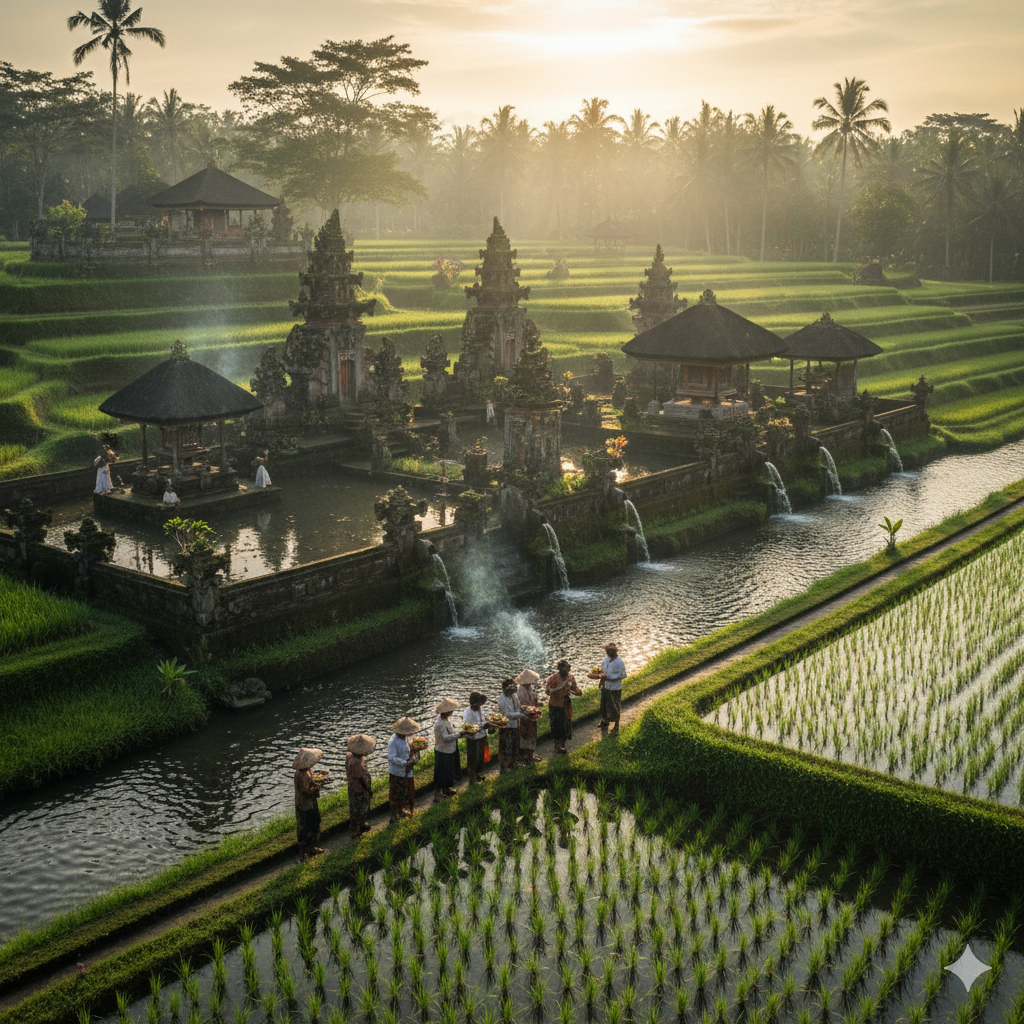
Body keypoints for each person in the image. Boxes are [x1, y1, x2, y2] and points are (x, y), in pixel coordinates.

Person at [293, 747, 325, 860]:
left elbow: (311, 783)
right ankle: (304, 852)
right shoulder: (301, 775)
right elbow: (307, 791)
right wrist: (318, 786)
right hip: (304, 805)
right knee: (304, 828)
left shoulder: (307, 771)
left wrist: (316, 783)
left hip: (310, 802)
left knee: (314, 823)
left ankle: (312, 847)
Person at [387, 716, 421, 823]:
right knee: (396, 793)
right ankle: (393, 816)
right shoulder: (393, 740)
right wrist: (405, 763)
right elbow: (391, 757)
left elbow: (406, 750)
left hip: (407, 770)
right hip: (397, 772)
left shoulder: (404, 738)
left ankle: (404, 811)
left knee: (408, 791)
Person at [546, 659, 583, 755]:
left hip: (566, 703)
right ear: (559, 669)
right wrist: (558, 689)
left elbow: (574, 687)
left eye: (567, 670)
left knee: (566, 722)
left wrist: (577, 691)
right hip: (555, 704)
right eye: (564, 670)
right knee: (556, 724)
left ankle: (562, 745)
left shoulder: (570, 678)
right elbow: (547, 691)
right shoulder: (552, 678)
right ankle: (556, 745)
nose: (566, 672)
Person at [345, 734, 375, 835]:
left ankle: (355, 826)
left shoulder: (349, 755)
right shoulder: (357, 762)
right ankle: (357, 829)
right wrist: (368, 789)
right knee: (361, 809)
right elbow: (362, 779)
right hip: (359, 788)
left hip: (352, 786)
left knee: (353, 808)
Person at [433, 697, 461, 800]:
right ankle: (437, 794)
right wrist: (459, 735)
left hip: (449, 750)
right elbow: (445, 738)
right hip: (443, 751)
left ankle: (446, 789)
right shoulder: (440, 723)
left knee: (449, 771)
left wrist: (457, 733)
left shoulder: (445, 720)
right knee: (440, 773)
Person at [497, 677, 527, 773]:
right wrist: (520, 715)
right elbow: (507, 714)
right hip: (506, 726)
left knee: (515, 744)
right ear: (504, 688)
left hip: (515, 724)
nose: (511, 691)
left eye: (512, 688)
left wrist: (523, 709)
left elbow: (518, 706)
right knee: (505, 746)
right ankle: (504, 766)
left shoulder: (514, 695)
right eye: (509, 689)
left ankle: (513, 763)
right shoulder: (502, 699)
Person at [462, 691, 490, 784]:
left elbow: (483, 719)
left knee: (481, 758)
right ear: (473, 703)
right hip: (473, 739)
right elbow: (469, 728)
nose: (479, 705)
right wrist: (482, 726)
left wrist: (488, 723)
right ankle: (471, 780)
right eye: (478, 703)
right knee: (472, 760)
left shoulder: (479, 709)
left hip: (482, 736)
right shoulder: (468, 713)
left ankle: (476, 774)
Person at [516, 669, 541, 764]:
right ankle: (524, 756)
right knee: (524, 735)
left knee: (532, 734)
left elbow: (533, 699)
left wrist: (535, 705)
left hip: (531, 714)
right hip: (523, 715)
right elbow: (520, 705)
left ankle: (531, 754)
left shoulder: (530, 688)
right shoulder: (520, 691)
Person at [600, 642, 627, 732]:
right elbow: (602, 671)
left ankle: (616, 725)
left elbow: (623, 675)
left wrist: (610, 678)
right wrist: (602, 680)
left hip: (615, 688)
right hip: (606, 686)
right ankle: (605, 720)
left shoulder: (619, 662)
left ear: (614, 652)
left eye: (609, 651)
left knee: (614, 706)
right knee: (604, 705)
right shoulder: (606, 659)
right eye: (607, 651)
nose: (607, 653)